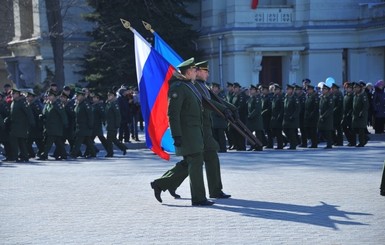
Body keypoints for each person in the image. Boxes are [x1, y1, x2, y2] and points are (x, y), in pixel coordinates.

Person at [150, 58, 213, 206]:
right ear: (188, 72)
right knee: (196, 161)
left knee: (189, 162)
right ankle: (198, 198)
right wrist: (176, 135)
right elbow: (173, 113)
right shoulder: (178, 88)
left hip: (195, 132)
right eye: (194, 70)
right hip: (187, 133)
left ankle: (160, 184)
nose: (196, 72)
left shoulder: (189, 86)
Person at [6, 89, 35, 162]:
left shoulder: (22, 102)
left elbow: (29, 113)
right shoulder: (13, 102)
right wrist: (7, 119)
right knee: (20, 141)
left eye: (14, 94)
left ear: (18, 94)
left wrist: (32, 123)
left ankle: (16, 156)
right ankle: (23, 156)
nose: (12, 95)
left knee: (17, 141)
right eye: (12, 94)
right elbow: (12, 114)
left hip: (21, 125)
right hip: (14, 125)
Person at [38, 89, 68, 160]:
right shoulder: (48, 104)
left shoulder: (58, 104)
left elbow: (63, 114)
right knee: (58, 142)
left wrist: (65, 123)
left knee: (49, 141)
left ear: (54, 96)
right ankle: (64, 154)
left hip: (56, 126)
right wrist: (42, 116)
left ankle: (44, 154)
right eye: (48, 95)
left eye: (50, 95)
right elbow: (45, 113)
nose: (48, 97)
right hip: (49, 126)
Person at [70, 89, 96, 159]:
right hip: (80, 126)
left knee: (78, 141)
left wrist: (90, 125)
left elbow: (90, 115)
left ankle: (73, 153)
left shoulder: (86, 104)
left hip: (85, 126)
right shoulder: (79, 104)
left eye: (78, 96)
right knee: (88, 141)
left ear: (82, 96)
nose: (76, 97)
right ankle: (94, 152)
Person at [104, 90, 127, 157]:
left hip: (113, 124)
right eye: (108, 95)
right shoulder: (109, 103)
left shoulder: (115, 104)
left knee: (109, 140)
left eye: (110, 95)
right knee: (113, 139)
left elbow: (118, 115)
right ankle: (123, 148)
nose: (108, 97)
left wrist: (117, 124)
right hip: (109, 124)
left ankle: (110, 153)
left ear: (114, 96)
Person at [210, 82, 228, 152]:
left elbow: (224, 107)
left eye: (214, 87)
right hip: (213, 119)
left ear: (218, 88)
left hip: (220, 118)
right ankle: (217, 148)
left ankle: (223, 148)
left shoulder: (221, 96)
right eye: (212, 87)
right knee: (215, 135)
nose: (213, 89)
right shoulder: (211, 96)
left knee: (221, 135)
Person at [282, 84, 300, 150]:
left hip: (292, 119)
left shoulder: (295, 98)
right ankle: (292, 142)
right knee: (285, 130)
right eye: (286, 89)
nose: (286, 90)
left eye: (288, 89)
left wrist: (293, 116)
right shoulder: (286, 97)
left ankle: (293, 145)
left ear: (292, 90)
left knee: (291, 132)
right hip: (286, 118)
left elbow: (297, 109)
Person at [246, 85, 263, 151]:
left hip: (256, 118)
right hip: (251, 119)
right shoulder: (250, 98)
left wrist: (251, 115)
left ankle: (259, 146)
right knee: (250, 132)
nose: (250, 91)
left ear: (256, 91)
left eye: (252, 89)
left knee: (258, 132)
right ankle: (252, 145)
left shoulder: (257, 98)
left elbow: (257, 109)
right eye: (250, 89)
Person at [352, 82, 369, 147]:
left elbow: (366, 105)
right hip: (355, 115)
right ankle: (366, 138)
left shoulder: (363, 95)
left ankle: (361, 143)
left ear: (359, 88)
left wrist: (362, 112)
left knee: (361, 129)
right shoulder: (355, 95)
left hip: (361, 115)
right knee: (355, 128)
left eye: (356, 88)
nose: (354, 89)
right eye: (354, 88)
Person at [318, 83, 334, 149]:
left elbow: (330, 109)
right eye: (322, 89)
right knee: (322, 130)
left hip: (327, 117)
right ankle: (329, 142)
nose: (323, 90)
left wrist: (324, 115)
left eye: (324, 89)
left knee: (327, 131)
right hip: (321, 116)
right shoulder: (322, 97)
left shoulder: (329, 98)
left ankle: (329, 144)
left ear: (328, 90)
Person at [270, 84, 284, 149]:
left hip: (278, 117)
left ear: (279, 90)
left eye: (275, 89)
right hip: (274, 117)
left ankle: (280, 145)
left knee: (278, 132)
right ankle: (281, 143)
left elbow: (282, 108)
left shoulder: (280, 97)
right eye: (274, 89)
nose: (274, 90)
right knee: (274, 131)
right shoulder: (274, 97)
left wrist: (279, 116)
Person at [341, 82, 355, 146]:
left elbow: (353, 106)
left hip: (350, 115)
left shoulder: (353, 96)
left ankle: (352, 142)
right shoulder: (346, 96)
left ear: (352, 89)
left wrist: (350, 113)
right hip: (345, 115)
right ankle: (350, 140)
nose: (347, 89)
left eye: (349, 88)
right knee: (344, 127)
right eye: (346, 88)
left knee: (351, 129)